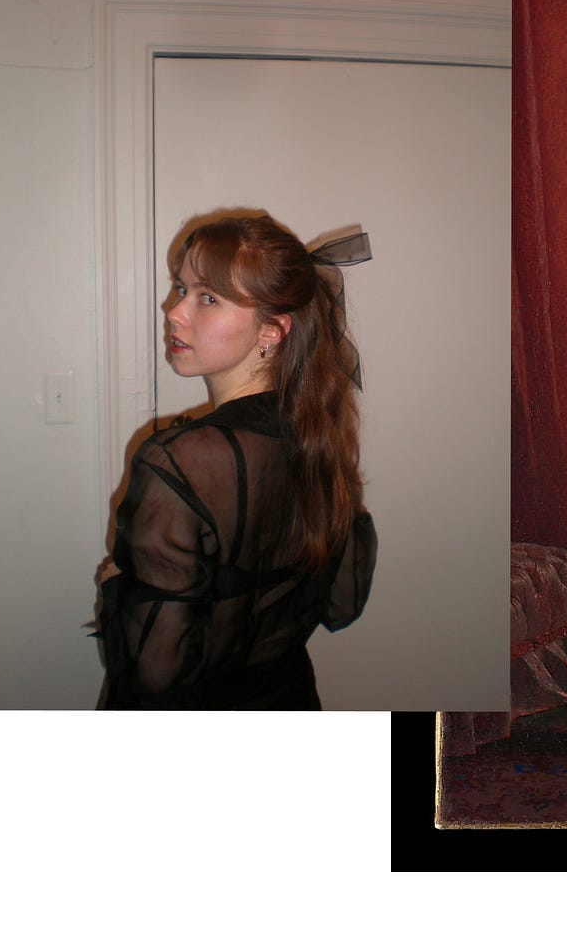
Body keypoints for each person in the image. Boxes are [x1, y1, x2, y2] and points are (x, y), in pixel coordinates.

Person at [97, 211, 376, 709]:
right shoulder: (317, 437)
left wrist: (116, 583)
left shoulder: (179, 462)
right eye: (180, 289)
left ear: (272, 330)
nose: (174, 312)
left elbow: (152, 670)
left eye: (208, 298)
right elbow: (343, 604)